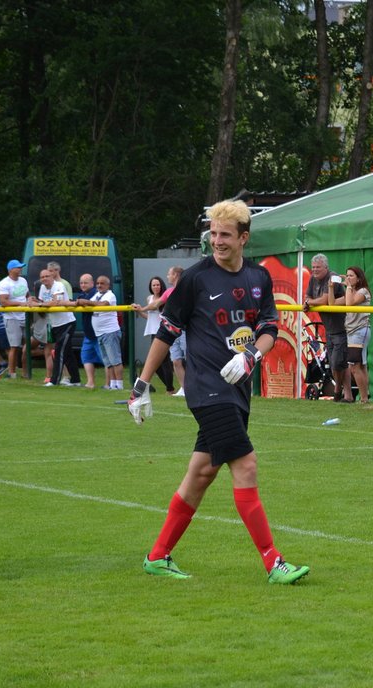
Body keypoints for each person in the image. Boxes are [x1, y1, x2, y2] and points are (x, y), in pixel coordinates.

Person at [129, 198, 309, 584]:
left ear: (244, 238)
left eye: (225, 234)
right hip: (208, 389)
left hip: (238, 387)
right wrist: (141, 385)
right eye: (212, 233)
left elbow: (268, 328)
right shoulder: (194, 278)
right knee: (245, 464)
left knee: (201, 474)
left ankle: (157, 556)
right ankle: (273, 562)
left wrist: (250, 358)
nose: (217, 241)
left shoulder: (259, 278)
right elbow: (167, 332)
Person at [304, 254, 350, 400]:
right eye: (313, 267)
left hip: (343, 327)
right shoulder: (312, 279)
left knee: (338, 363)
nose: (315, 270)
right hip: (329, 329)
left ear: (326, 267)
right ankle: (346, 394)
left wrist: (311, 302)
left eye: (318, 267)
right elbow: (307, 298)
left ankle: (338, 390)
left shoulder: (333, 277)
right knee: (336, 363)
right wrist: (310, 302)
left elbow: (323, 299)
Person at [328, 266, 372, 402]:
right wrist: (330, 287)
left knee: (354, 367)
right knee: (361, 366)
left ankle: (364, 398)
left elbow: (349, 303)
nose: (348, 278)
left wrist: (347, 287)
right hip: (352, 331)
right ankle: (365, 397)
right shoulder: (350, 291)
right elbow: (332, 304)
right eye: (346, 275)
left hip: (360, 330)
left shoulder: (363, 291)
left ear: (359, 278)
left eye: (351, 276)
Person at [77, 274, 123, 389]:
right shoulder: (97, 295)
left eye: (102, 283)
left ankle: (119, 385)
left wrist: (86, 302)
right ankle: (112, 385)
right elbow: (88, 302)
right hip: (100, 333)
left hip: (110, 331)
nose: (99, 285)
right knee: (108, 361)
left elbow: (103, 304)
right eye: (98, 283)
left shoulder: (110, 295)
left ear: (108, 285)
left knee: (115, 360)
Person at [36, 266, 80, 387]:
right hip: (55, 324)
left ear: (52, 276)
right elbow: (41, 304)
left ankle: (54, 380)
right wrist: (33, 302)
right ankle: (76, 380)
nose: (44, 279)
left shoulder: (59, 285)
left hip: (67, 323)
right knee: (68, 353)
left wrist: (40, 304)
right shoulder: (42, 288)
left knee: (59, 351)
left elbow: (55, 302)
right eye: (42, 277)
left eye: (47, 276)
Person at [133, 276, 177, 394]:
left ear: (161, 285)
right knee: (156, 364)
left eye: (158, 285)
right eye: (153, 285)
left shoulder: (164, 298)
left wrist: (142, 309)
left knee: (164, 361)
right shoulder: (149, 298)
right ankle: (170, 388)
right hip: (152, 331)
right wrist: (140, 311)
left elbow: (155, 308)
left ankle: (170, 389)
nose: (156, 287)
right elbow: (149, 317)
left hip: (163, 331)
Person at [0, 259, 30, 380]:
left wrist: (30, 301)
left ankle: (26, 372)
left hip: (24, 315)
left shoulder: (23, 280)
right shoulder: (4, 283)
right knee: (14, 346)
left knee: (28, 346)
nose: (20, 269)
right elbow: (3, 301)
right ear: (11, 270)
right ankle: (12, 373)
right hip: (11, 317)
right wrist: (20, 304)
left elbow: (27, 295)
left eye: (21, 267)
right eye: (18, 267)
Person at [163, 267, 187, 396]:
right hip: (173, 331)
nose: (167, 276)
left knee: (190, 360)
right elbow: (156, 304)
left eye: (169, 274)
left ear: (176, 275)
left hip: (185, 330)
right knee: (176, 360)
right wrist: (141, 308)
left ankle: (195, 387)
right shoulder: (168, 292)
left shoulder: (186, 290)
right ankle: (184, 389)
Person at [76, 274, 103, 389]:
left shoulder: (94, 294)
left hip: (98, 332)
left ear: (92, 283)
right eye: (81, 283)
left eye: (85, 283)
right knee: (85, 357)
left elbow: (84, 302)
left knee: (106, 359)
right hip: (88, 334)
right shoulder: (82, 294)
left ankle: (112, 383)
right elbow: (78, 301)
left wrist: (79, 301)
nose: (83, 285)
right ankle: (90, 382)